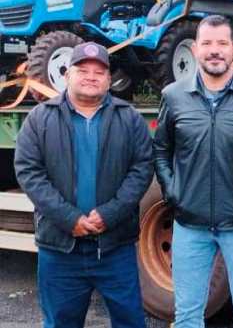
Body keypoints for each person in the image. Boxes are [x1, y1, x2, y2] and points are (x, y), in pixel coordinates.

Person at [14, 42, 154, 328]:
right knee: (60, 323)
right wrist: (69, 218)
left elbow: (142, 169)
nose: (91, 76)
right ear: (67, 75)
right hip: (60, 249)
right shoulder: (40, 119)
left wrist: (110, 214)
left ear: (108, 79)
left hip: (115, 248)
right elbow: (29, 172)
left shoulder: (129, 119)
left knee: (131, 322)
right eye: (83, 70)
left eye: (99, 72)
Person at [153, 15, 233, 328]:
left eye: (222, 43)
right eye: (207, 43)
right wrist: (172, 192)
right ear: (195, 50)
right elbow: (161, 149)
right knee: (187, 316)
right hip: (189, 225)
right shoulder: (174, 96)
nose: (214, 50)